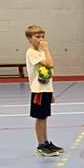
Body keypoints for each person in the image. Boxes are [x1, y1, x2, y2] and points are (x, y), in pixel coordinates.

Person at [24, 24, 62, 156]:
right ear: (30, 39)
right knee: (40, 118)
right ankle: (40, 145)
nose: (41, 39)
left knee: (44, 117)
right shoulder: (32, 53)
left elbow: (48, 73)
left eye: (43, 36)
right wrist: (46, 49)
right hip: (38, 91)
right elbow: (50, 64)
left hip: (45, 89)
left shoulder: (40, 52)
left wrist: (50, 92)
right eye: (37, 36)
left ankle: (46, 142)